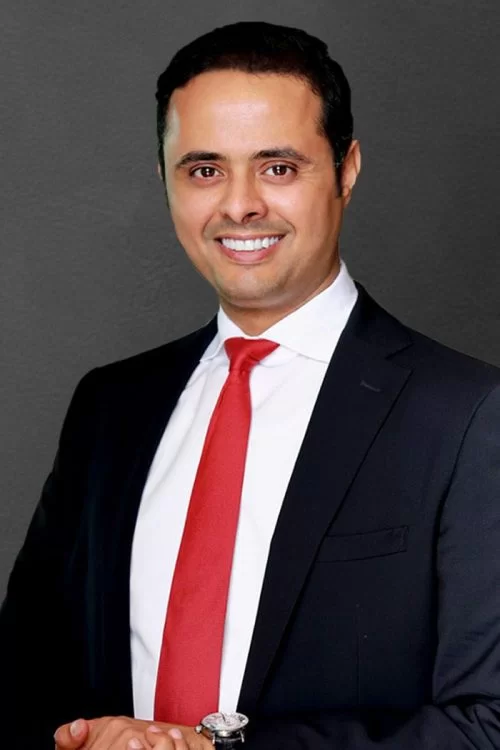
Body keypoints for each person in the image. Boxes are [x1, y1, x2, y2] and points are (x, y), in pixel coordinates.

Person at [1, 20, 500, 750]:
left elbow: (488, 723)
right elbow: (24, 678)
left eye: (279, 167)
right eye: (205, 170)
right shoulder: (111, 407)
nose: (239, 206)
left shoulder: (468, 415)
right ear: (165, 179)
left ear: (347, 170)